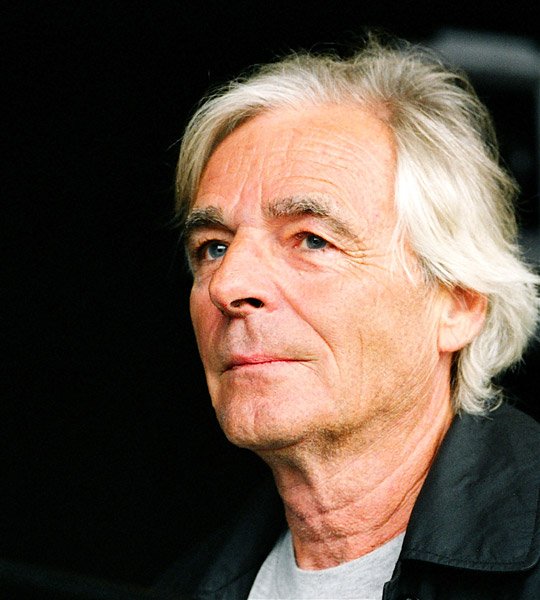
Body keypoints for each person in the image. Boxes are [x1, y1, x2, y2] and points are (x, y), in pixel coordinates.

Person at [154, 35, 540, 599]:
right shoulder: (188, 585)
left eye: (312, 239)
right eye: (213, 247)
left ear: (458, 301)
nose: (229, 285)